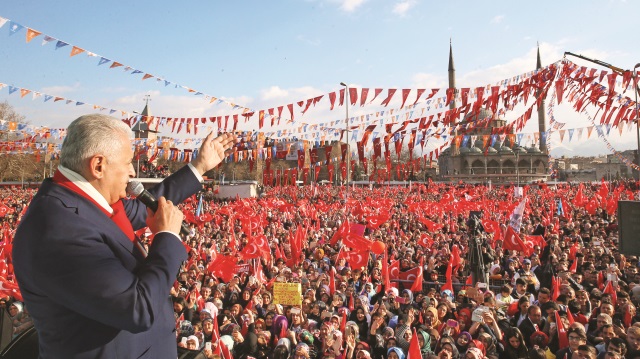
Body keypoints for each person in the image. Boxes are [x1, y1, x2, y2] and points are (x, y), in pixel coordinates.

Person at [12, 114, 237, 359]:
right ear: (98, 165)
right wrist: (166, 237)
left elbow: (148, 206)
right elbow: (137, 309)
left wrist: (199, 167)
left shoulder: (87, 201)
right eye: (128, 162)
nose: (132, 171)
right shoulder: (58, 229)